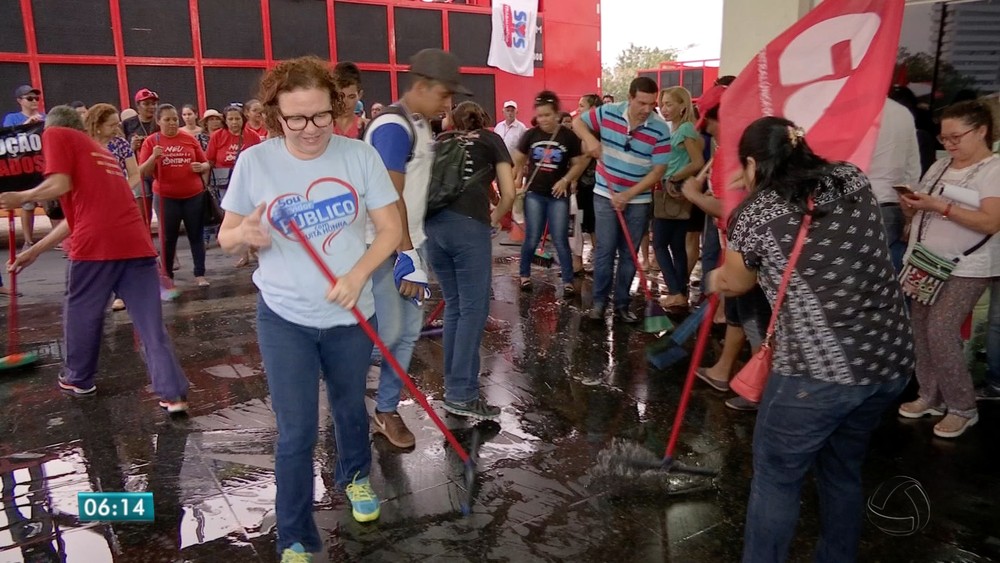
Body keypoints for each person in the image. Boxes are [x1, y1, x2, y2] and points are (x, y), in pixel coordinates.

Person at [217, 56, 402, 558]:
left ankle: (357, 477)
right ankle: (296, 533)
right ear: (275, 114)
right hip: (285, 317)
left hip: (350, 315)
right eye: (295, 118)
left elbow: (391, 230)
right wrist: (245, 235)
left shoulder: (358, 156)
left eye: (320, 115)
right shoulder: (256, 162)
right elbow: (227, 234)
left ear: (337, 107)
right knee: (296, 431)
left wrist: (357, 274)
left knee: (349, 410)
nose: (310, 129)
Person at [708, 116, 913, 563]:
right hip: (889, 358)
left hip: (819, 373)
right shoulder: (851, 177)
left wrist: (715, 278)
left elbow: (737, 283)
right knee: (842, 469)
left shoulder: (754, 213)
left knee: (777, 477)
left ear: (751, 162)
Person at [0, 106, 191, 412]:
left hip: (95, 247)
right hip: (136, 244)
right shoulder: (99, 153)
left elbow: (59, 186)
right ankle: (173, 393)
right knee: (150, 325)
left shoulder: (57, 134)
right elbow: (78, 215)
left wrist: (20, 197)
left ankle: (79, 378)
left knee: (82, 314)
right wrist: (34, 250)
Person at [365, 48, 488, 450]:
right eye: (444, 93)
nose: (448, 102)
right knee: (390, 333)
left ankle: (385, 407)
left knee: (407, 332)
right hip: (383, 246)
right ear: (420, 86)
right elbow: (389, 194)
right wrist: (404, 254)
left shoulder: (417, 123)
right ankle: (374, 409)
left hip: (408, 242)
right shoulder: (392, 127)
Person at [897, 100, 1000, 438]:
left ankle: (963, 407)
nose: (950, 145)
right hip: (926, 260)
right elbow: (924, 211)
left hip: (967, 265)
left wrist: (939, 205)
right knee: (921, 328)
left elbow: (990, 221)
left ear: (982, 130)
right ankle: (930, 395)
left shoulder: (993, 169)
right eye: (945, 139)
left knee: (941, 330)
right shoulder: (939, 168)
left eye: (957, 137)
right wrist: (913, 207)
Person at [424, 101, 516, 440]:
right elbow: (509, 193)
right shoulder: (491, 140)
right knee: (474, 310)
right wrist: (491, 221)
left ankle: (454, 389)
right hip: (468, 229)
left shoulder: (440, 141)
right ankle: (462, 395)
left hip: (434, 228)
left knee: (455, 307)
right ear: (484, 120)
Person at [572, 77, 670, 324]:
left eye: (651, 103)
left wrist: (629, 194)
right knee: (604, 250)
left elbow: (658, 171)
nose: (647, 109)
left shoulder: (660, 128)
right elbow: (577, 122)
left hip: (638, 199)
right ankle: (598, 304)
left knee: (629, 254)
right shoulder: (608, 113)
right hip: (605, 193)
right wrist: (592, 140)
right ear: (630, 96)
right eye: (641, 102)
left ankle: (622, 305)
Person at [513, 90, 587, 295]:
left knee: (561, 238)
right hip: (534, 194)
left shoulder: (568, 136)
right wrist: (514, 181)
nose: (543, 119)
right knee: (532, 237)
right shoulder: (530, 134)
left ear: (557, 114)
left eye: (547, 115)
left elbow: (579, 164)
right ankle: (524, 275)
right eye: (540, 115)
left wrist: (566, 180)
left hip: (558, 197)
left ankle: (568, 280)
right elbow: (516, 161)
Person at [137, 104, 211, 292]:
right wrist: (154, 157)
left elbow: (205, 163)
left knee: (196, 234)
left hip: (192, 195)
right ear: (158, 121)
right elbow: (142, 171)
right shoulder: (151, 141)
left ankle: (200, 273)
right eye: (167, 119)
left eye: (174, 119)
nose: (172, 123)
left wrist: (200, 167)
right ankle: (167, 275)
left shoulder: (189, 139)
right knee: (167, 238)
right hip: (166, 196)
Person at [86, 103, 144, 312]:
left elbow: (135, 173)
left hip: (118, 202)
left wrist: (121, 191)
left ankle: (120, 294)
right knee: (97, 249)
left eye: (117, 124)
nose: (115, 128)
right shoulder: (84, 144)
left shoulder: (120, 144)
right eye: (111, 125)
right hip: (91, 204)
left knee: (119, 248)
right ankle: (98, 292)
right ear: (98, 125)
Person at [653, 86, 705, 310]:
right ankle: (679, 291)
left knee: (660, 244)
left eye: (670, 104)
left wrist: (673, 177)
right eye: (663, 104)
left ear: (683, 106)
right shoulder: (676, 129)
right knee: (675, 245)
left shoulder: (685, 130)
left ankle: (676, 290)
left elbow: (697, 163)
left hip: (674, 192)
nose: (664, 109)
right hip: (672, 191)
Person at [867, 97, 921, 273]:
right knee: (887, 275)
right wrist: (910, 214)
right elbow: (913, 167)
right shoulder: (901, 111)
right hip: (892, 204)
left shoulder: (845, 108)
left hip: (852, 206)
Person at [207, 104, 261, 263]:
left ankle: (254, 248)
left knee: (250, 216)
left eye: (237, 118)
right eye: (230, 119)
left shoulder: (252, 136)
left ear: (243, 119)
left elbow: (259, 160)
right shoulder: (217, 136)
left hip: (249, 181)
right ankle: (243, 253)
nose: (234, 122)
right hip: (225, 182)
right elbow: (209, 159)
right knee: (233, 217)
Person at [3, 85, 46, 250]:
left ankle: (57, 240)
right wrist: (29, 124)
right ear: (20, 101)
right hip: (24, 165)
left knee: (51, 202)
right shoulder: (12, 118)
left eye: (36, 98)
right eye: (30, 98)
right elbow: (9, 137)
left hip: (41, 162)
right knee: (27, 205)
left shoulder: (44, 117)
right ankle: (28, 240)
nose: (34, 101)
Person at [572, 94, 602, 273]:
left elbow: (586, 156)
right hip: (580, 187)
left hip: (595, 186)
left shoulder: (600, 132)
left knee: (594, 226)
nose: (579, 109)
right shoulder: (578, 130)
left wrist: (573, 178)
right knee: (576, 224)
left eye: (582, 105)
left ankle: (599, 262)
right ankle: (577, 263)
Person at [123, 88, 160, 226]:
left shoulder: (161, 121)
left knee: (161, 208)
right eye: (147, 104)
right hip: (139, 170)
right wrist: (131, 146)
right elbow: (122, 148)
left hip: (158, 170)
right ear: (138, 106)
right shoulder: (128, 124)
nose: (151, 107)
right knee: (143, 210)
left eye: (154, 104)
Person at [332, 62, 366, 139]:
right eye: (340, 96)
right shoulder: (323, 126)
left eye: (351, 97)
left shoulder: (366, 128)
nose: (345, 102)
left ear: (360, 95)